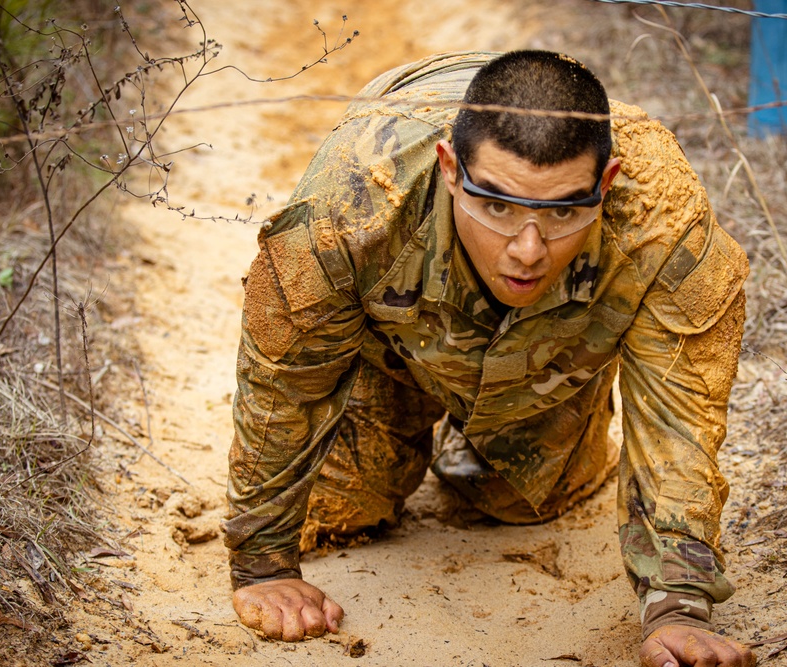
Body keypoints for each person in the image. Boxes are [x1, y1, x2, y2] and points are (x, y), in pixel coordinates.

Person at [223, 50, 755, 667]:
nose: (527, 251)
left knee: (519, 499)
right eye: (498, 205)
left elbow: (679, 420)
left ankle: (498, 435)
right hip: (391, 343)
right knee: (347, 510)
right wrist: (261, 563)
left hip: (551, 352)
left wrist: (677, 605)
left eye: (560, 212)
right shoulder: (354, 199)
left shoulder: (665, 220)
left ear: (604, 186)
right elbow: (286, 379)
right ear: (450, 170)